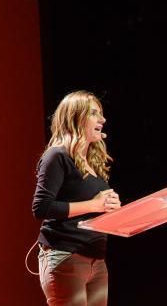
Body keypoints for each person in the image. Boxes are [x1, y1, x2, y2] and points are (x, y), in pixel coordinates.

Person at [32, 90, 121, 306]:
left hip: (97, 261)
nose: (103, 119)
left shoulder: (94, 163)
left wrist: (112, 208)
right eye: (93, 113)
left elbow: (94, 210)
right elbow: (41, 208)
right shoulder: (57, 156)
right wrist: (94, 204)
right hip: (65, 256)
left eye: (101, 113)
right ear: (76, 118)